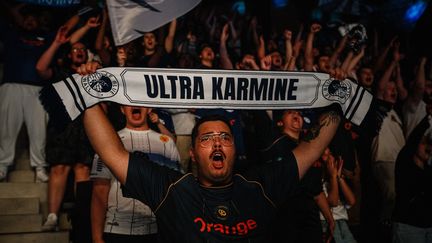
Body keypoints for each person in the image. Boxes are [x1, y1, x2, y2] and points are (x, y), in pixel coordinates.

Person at [78, 59, 344, 242]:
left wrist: (334, 98)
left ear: (234, 147)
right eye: (207, 138)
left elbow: (314, 146)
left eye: (224, 137)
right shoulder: (172, 190)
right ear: (192, 153)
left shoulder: (260, 186)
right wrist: (90, 95)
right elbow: (110, 150)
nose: (217, 143)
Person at [36, 25, 94, 240]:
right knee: (59, 168)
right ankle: (52, 215)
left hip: (85, 129)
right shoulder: (60, 73)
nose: (79, 51)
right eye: (75, 49)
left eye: (82, 49)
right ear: (69, 54)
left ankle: (83, 216)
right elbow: (40, 69)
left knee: (83, 171)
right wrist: (57, 43)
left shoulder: (91, 75)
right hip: (62, 129)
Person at [91, 105, 181, 243]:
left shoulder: (166, 143)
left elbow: (176, 190)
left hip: (158, 230)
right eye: (129, 102)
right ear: (122, 109)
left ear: (149, 109)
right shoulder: (108, 143)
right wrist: (97, 237)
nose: (135, 105)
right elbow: (99, 191)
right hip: (118, 230)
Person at [392, 114, 432, 243]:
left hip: (427, 227)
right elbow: (412, 140)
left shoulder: (428, 170)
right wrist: (428, 118)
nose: (428, 147)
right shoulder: (404, 164)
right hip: (408, 227)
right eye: (424, 143)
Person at [320, 147, 357, 243]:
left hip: (343, 223)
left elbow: (352, 201)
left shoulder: (337, 180)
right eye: (325, 155)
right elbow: (333, 202)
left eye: (330, 153)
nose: (330, 158)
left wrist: (339, 177)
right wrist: (333, 177)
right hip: (326, 223)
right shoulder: (320, 182)